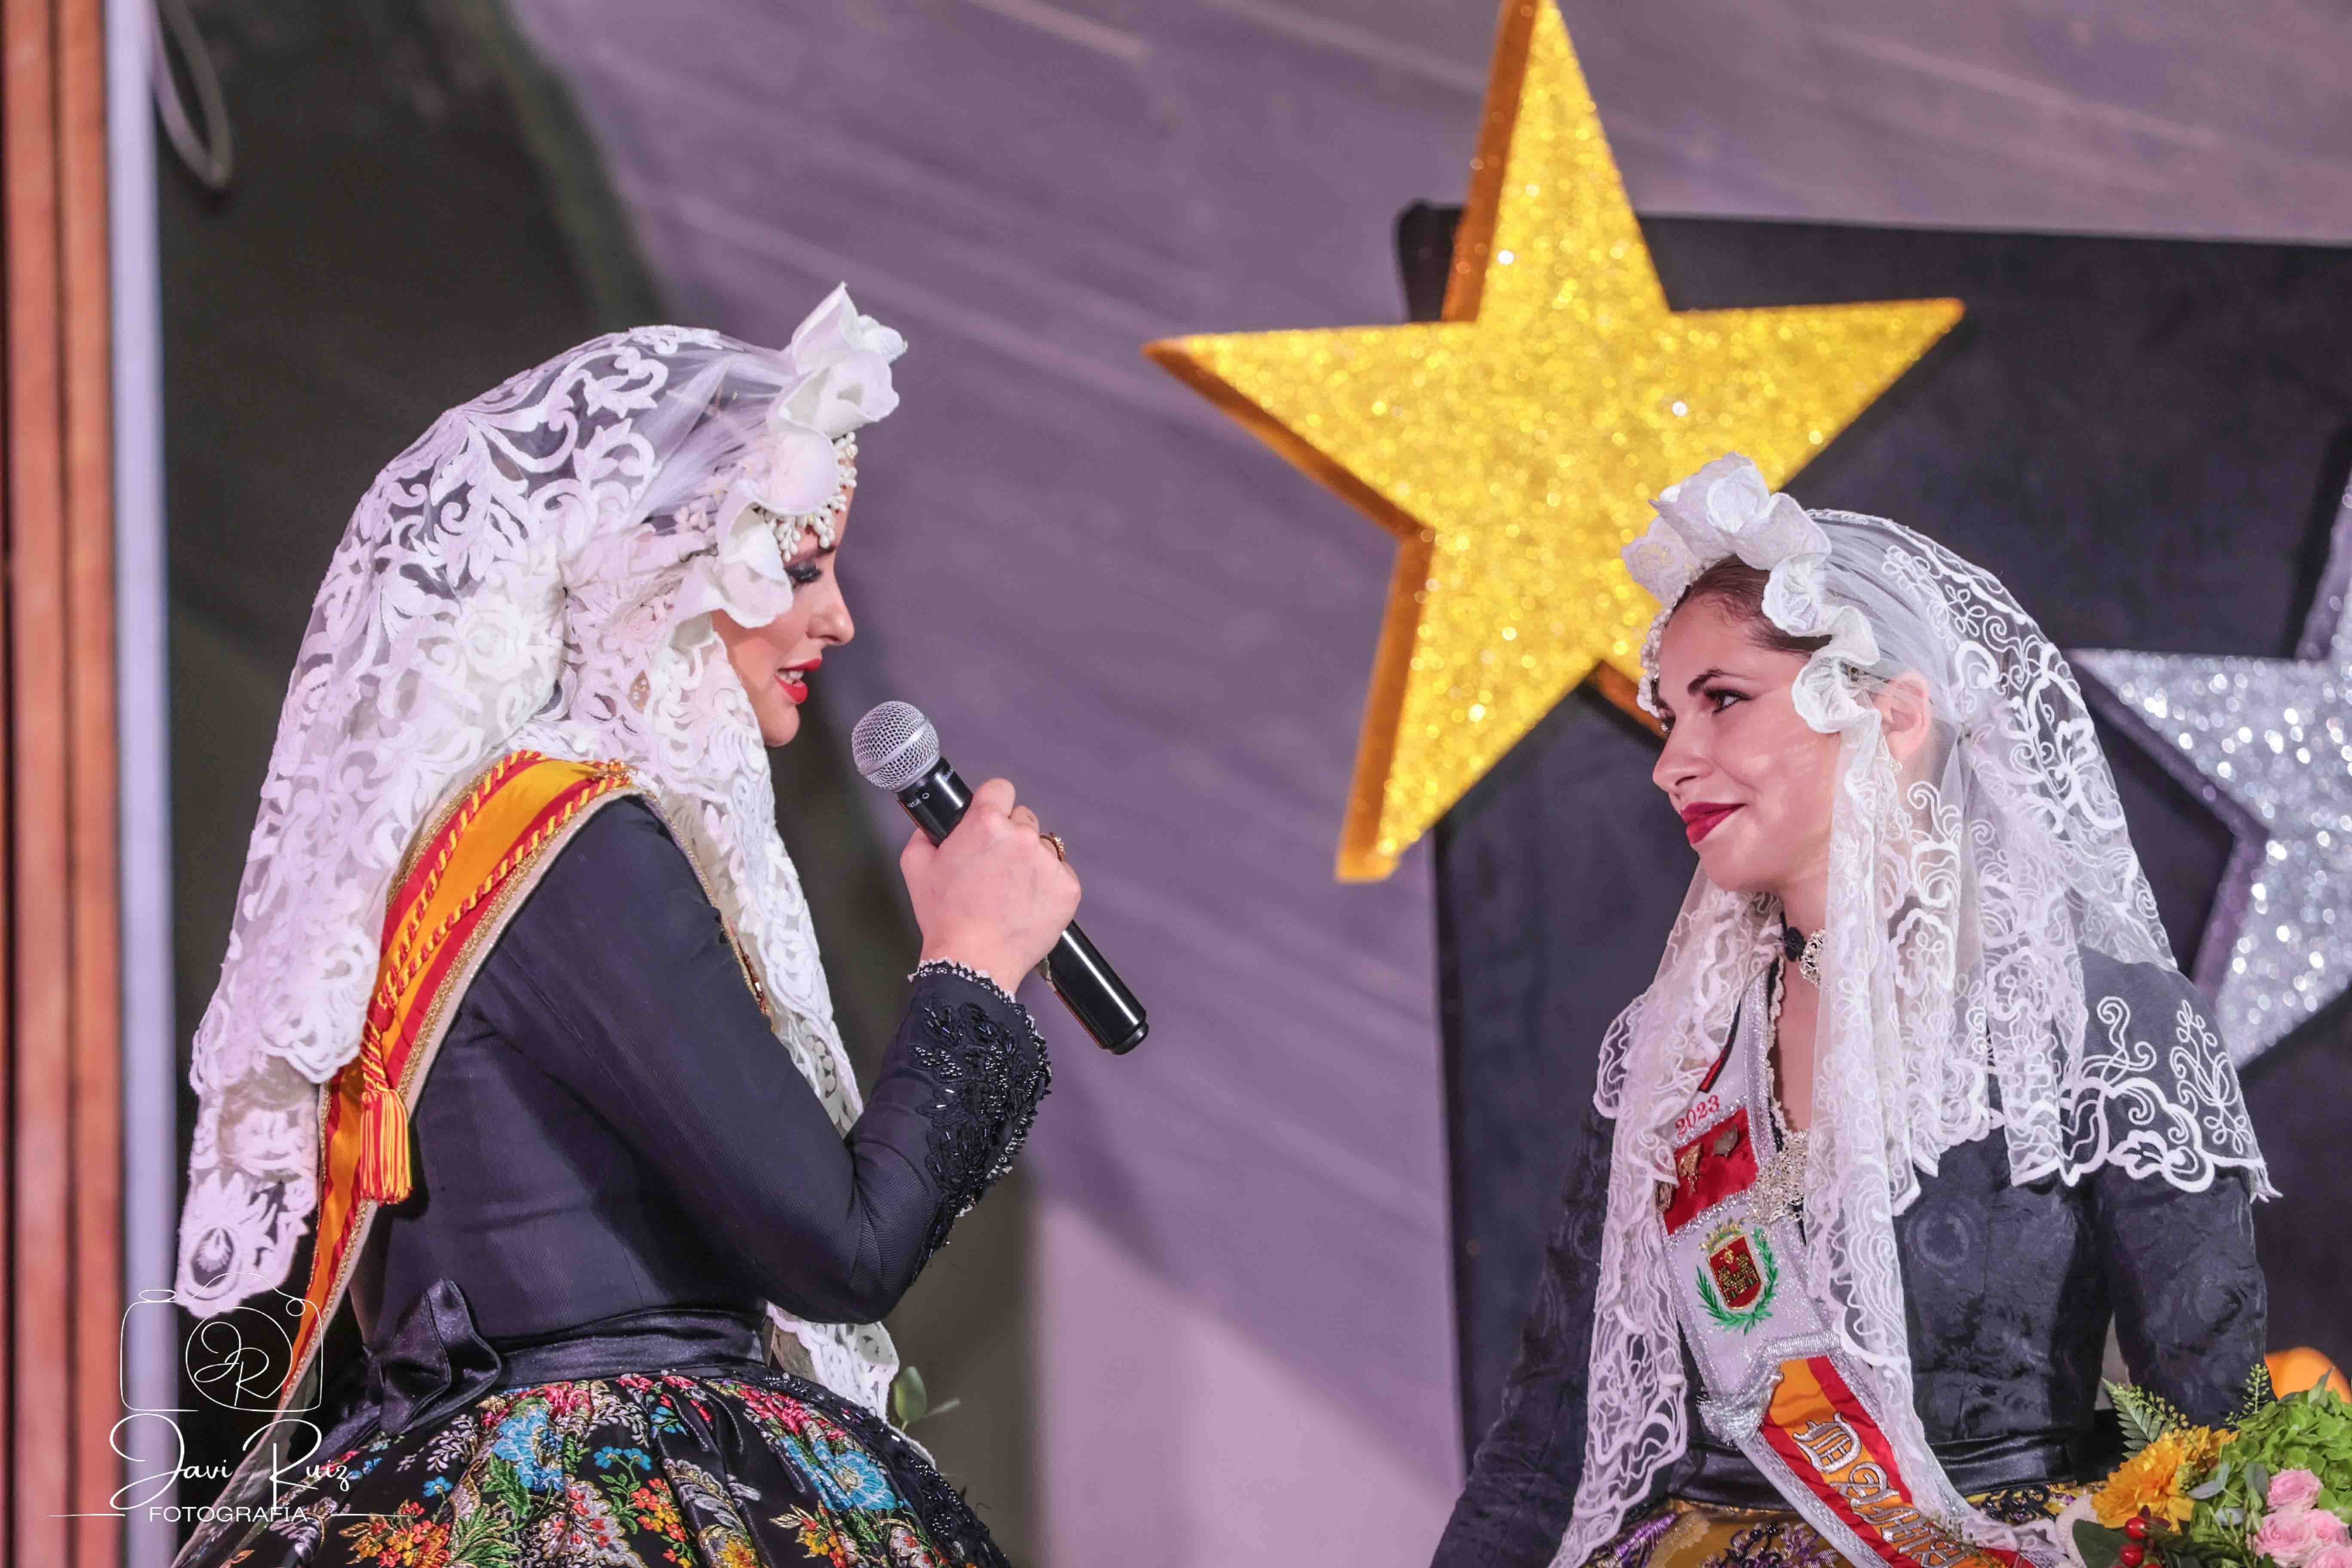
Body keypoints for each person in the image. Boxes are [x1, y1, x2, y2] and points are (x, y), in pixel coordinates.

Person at [170, 290, 1075, 1568]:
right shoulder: (574, 840)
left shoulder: (510, 836)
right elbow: (840, 1250)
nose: (837, 619)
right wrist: (971, 964)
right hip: (593, 1483)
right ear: (667, 570)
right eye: (799, 567)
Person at [1433, 455, 2272, 1568]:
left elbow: (2221, 1453)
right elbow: (1547, 1448)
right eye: (1669, 716)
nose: (1672, 763)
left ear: (1895, 715)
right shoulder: (1673, 1051)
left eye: (1722, 700)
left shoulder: (2103, 1025)